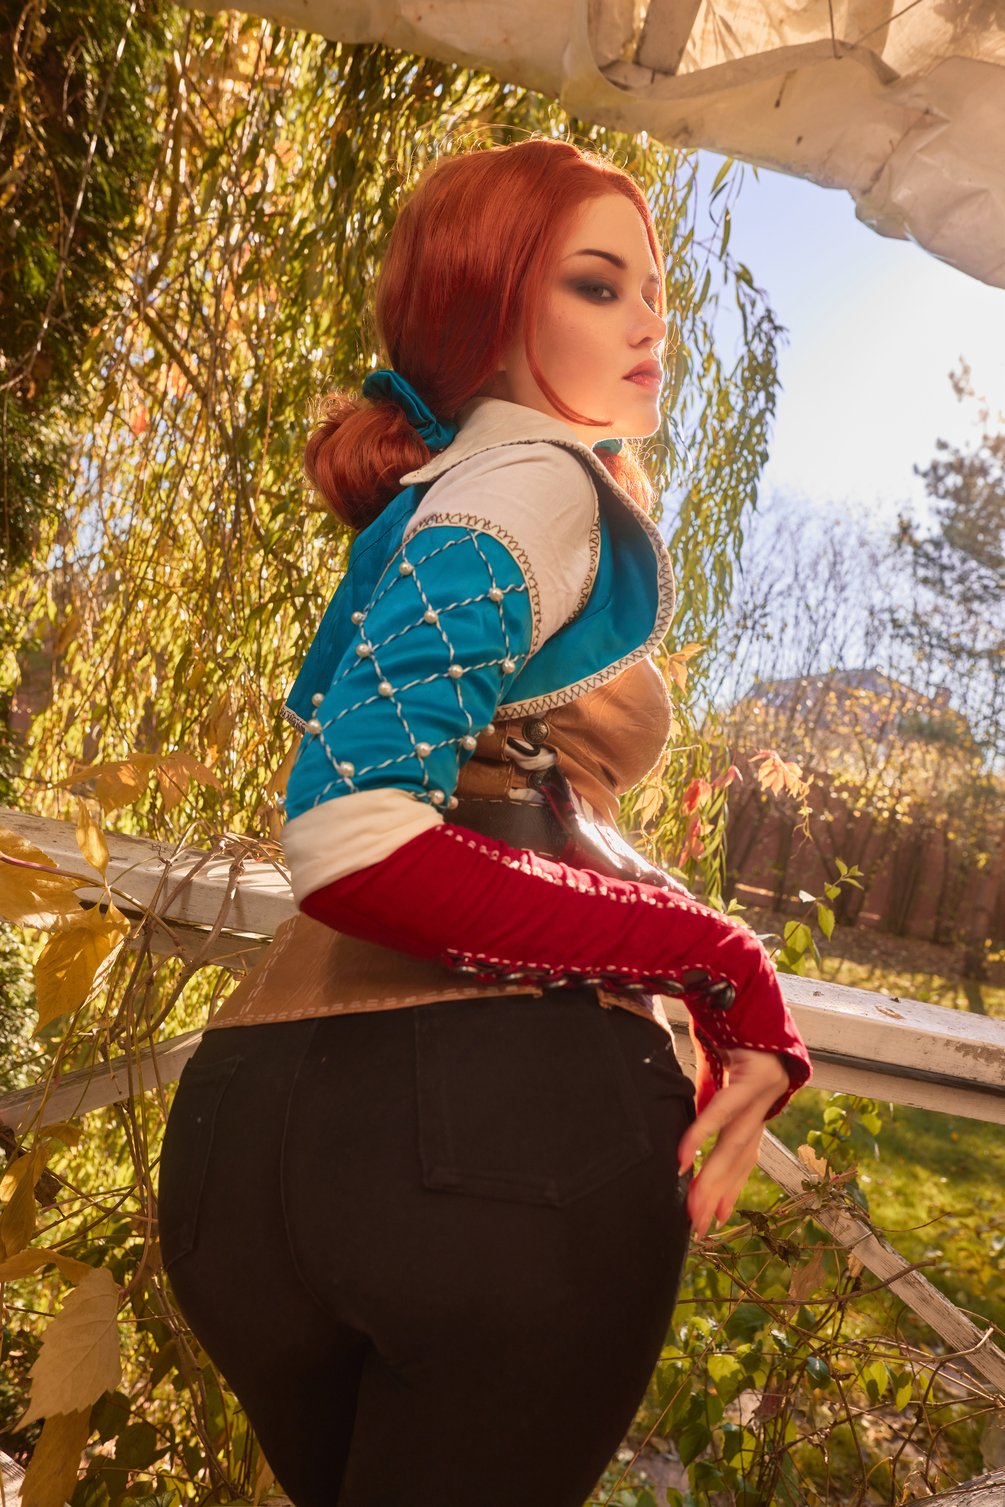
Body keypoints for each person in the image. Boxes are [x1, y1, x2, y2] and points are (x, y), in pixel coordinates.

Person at [157, 137, 811, 1507]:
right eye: (596, 285)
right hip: (487, 1143)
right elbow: (353, 832)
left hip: (246, 1143)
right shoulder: (538, 482)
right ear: (484, 308)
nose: (650, 323)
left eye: (654, 290)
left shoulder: (437, 494)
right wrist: (715, 954)